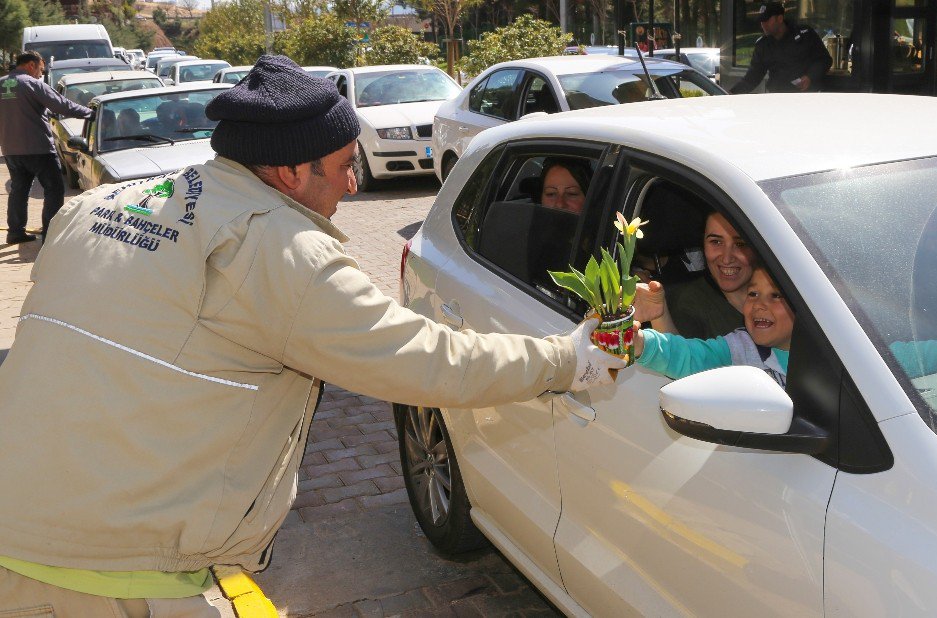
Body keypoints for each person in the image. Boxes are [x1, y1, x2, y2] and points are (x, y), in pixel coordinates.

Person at [0, 55, 625, 616]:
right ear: (292, 171)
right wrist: (566, 360)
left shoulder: (95, 208)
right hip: (130, 573)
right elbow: (428, 361)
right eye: (343, 166)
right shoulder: (278, 248)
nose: (354, 184)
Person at [634, 267, 937, 388]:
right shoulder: (738, 349)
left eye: (777, 296)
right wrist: (637, 340)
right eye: (753, 294)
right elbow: (686, 356)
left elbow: (902, 357)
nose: (759, 304)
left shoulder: (840, 350)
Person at [0, 51, 93, 244]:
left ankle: (15, 232)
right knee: (54, 189)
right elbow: (61, 105)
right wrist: (89, 113)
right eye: (41, 69)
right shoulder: (32, 85)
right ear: (31, 65)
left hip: (10, 149)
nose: (41, 74)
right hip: (39, 148)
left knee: (19, 190)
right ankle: (50, 234)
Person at [635, 211, 754, 339]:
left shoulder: (776, 288)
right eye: (716, 242)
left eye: (740, 244)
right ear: (703, 244)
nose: (726, 258)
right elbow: (679, 354)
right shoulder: (688, 305)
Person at [729, 1, 833, 94]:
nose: (763, 24)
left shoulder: (805, 34)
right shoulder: (763, 45)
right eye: (761, 21)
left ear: (779, 18)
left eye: (766, 20)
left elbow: (824, 60)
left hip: (807, 97)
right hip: (777, 99)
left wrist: (810, 77)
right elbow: (752, 77)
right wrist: (731, 94)